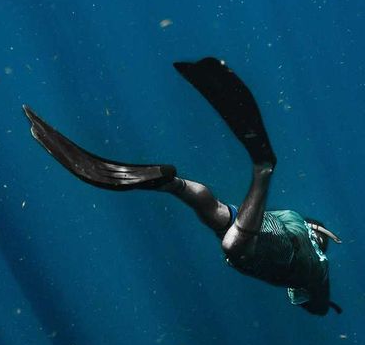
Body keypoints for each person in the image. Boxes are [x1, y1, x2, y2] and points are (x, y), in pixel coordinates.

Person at [22, 57, 342, 315]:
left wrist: (317, 233)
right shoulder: (316, 273)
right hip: (249, 244)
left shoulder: (299, 224)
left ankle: (175, 184)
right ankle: (263, 169)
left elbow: (309, 234)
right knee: (235, 240)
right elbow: (313, 306)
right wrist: (323, 304)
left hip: (252, 222)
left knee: (213, 208)